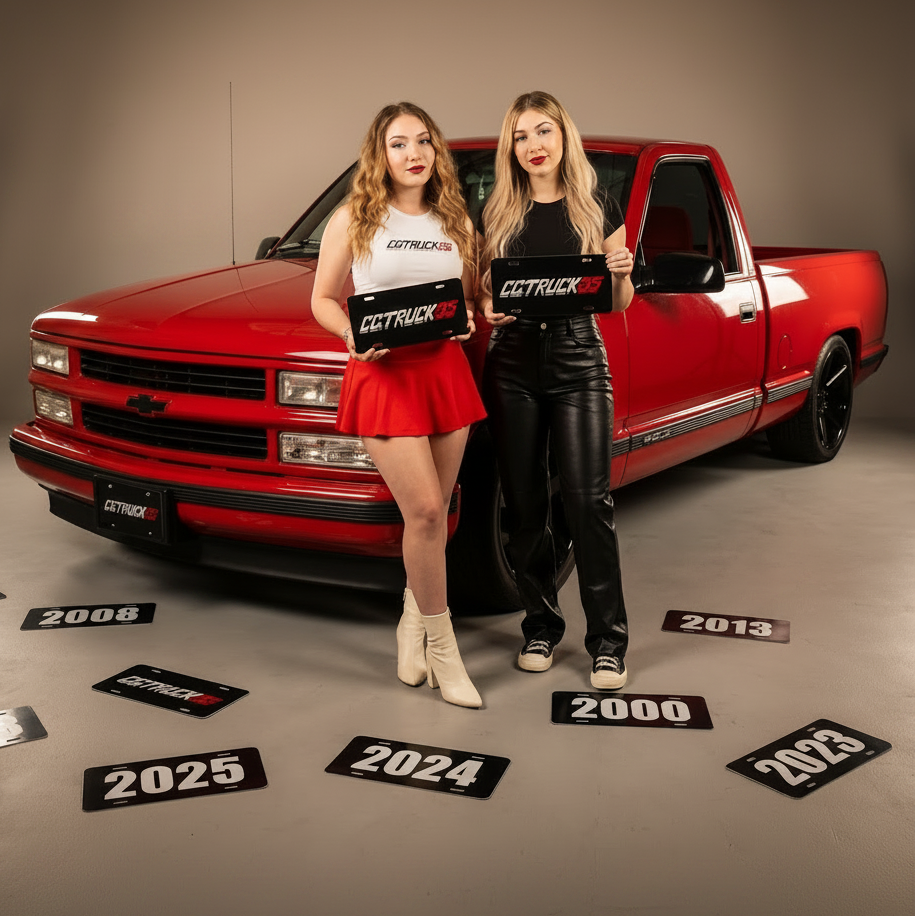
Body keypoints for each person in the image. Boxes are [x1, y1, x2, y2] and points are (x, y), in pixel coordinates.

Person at [312, 102, 485, 708]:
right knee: (427, 512)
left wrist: (465, 321)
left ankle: (413, 623)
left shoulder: (456, 221)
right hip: (384, 378)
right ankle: (445, 649)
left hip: (443, 373)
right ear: (379, 156)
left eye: (422, 143)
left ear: (435, 152)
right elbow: (324, 301)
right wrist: (352, 335)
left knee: (438, 515)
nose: (413, 154)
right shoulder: (354, 219)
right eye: (397, 144)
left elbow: (462, 303)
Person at [478, 90, 635, 690]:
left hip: (578, 358)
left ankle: (608, 642)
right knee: (523, 505)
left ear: (563, 135)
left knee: (588, 500)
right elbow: (487, 295)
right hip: (512, 362)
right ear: (511, 148)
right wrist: (490, 311)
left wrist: (620, 275)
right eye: (521, 136)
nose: (534, 146)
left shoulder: (598, 204)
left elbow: (618, 303)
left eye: (543, 131)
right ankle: (540, 625)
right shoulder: (495, 211)